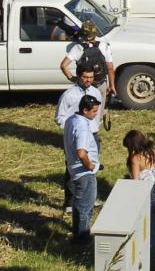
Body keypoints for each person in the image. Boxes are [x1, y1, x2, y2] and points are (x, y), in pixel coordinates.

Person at [64, 95, 102, 243]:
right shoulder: (82, 127)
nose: (96, 114)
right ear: (84, 110)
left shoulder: (71, 120)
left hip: (73, 169)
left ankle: (77, 234)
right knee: (85, 207)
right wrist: (90, 165)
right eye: (93, 111)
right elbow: (81, 152)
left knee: (78, 205)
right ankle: (82, 239)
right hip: (84, 172)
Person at [123, 130, 155, 255]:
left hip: (140, 196)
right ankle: (154, 259)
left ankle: (141, 257)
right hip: (153, 193)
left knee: (139, 229)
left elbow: (135, 182)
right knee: (151, 230)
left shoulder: (136, 158)